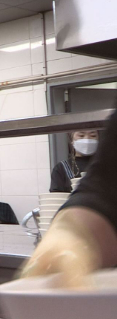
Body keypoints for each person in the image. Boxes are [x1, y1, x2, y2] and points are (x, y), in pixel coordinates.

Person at [22, 113, 117, 287]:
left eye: (92, 135)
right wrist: (69, 231)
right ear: (71, 139)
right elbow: (104, 188)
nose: (87, 138)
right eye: (81, 135)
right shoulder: (63, 168)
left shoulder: (99, 161)